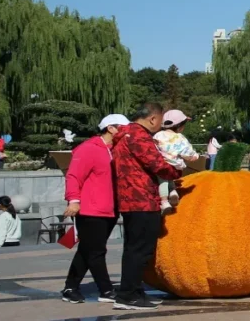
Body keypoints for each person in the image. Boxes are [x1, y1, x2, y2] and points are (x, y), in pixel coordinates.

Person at [111, 103, 183, 310]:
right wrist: (177, 172)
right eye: (160, 121)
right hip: (142, 199)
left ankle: (133, 291)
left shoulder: (123, 135)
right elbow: (156, 164)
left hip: (130, 198)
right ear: (152, 119)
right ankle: (128, 295)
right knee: (141, 249)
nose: (161, 126)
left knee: (134, 248)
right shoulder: (139, 136)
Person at [60, 114, 129, 304]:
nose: (127, 132)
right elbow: (73, 176)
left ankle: (70, 288)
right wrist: (74, 201)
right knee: (96, 251)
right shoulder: (89, 148)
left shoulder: (117, 149)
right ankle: (105, 290)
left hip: (111, 209)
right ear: (111, 128)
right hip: (90, 209)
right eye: (123, 128)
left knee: (88, 250)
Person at [153, 110, 198, 214]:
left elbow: (153, 148)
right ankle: (173, 192)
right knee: (170, 179)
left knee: (163, 181)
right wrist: (195, 156)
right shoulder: (180, 138)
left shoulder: (158, 135)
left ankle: (164, 202)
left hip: (162, 163)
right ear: (179, 126)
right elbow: (188, 152)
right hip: (176, 165)